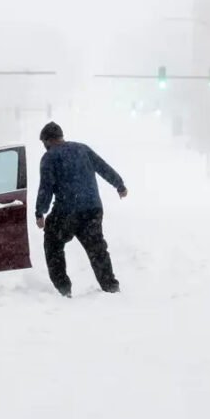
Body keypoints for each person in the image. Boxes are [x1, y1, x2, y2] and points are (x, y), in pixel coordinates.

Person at [35, 122, 127, 297]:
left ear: (48, 141)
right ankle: (111, 287)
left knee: (53, 245)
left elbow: (45, 188)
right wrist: (119, 184)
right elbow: (102, 167)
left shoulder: (49, 157)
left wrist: (40, 212)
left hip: (66, 212)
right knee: (97, 249)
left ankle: (63, 289)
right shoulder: (82, 149)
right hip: (92, 209)